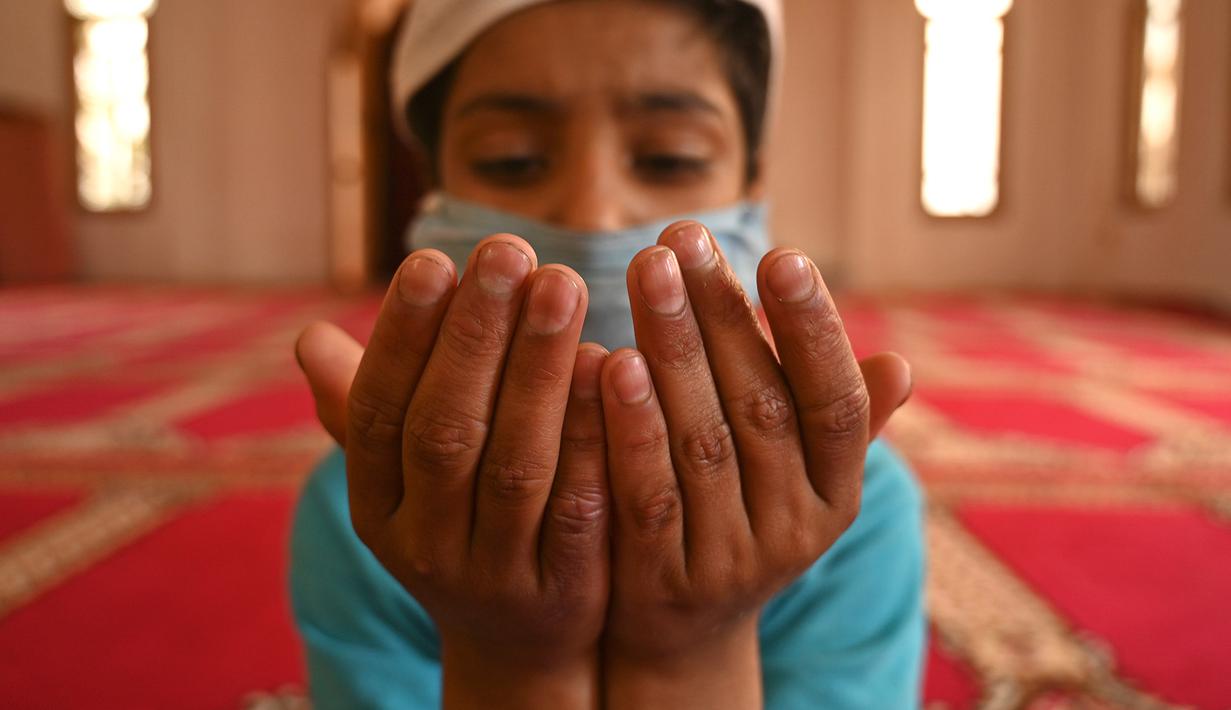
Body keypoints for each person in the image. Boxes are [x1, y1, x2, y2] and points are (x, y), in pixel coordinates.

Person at [289, 0, 926, 707]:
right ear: (433, 184)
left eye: (668, 158)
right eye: (512, 160)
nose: (592, 215)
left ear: (752, 185)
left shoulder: (855, 508)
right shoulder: (373, 509)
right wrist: (508, 658)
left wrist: (692, 647)